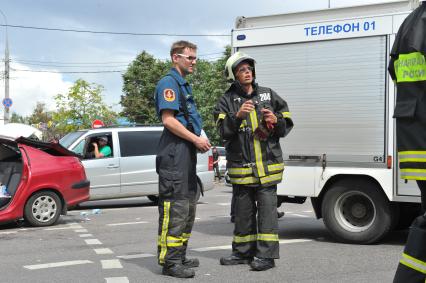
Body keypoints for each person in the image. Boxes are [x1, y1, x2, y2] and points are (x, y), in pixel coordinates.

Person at [214, 52, 294, 271]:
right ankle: (242, 253)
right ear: (233, 74)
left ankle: (266, 257)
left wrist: (276, 121)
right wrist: (236, 116)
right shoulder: (226, 100)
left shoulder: (268, 95)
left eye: (249, 68)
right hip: (241, 170)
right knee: (243, 215)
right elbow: (222, 132)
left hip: (268, 169)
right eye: (242, 69)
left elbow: (285, 125)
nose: (247, 71)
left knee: (268, 215)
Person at [154, 40, 211, 279]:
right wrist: (196, 140)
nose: (194, 62)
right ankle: (170, 262)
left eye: (195, 57)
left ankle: (180, 254)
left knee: (187, 208)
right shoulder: (169, 83)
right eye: (190, 57)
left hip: (184, 153)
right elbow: (168, 120)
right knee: (174, 209)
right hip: (174, 154)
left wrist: (197, 140)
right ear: (175, 58)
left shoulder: (182, 85)